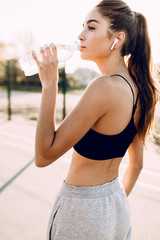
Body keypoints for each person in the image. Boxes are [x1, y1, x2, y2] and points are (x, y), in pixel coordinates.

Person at [32, 0, 159, 239]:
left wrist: (50, 85)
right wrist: (110, 208)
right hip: (117, 206)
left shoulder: (103, 87)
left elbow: (43, 156)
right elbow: (137, 164)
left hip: (82, 212)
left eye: (91, 27)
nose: (80, 35)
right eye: (82, 27)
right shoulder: (140, 89)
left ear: (117, 39)